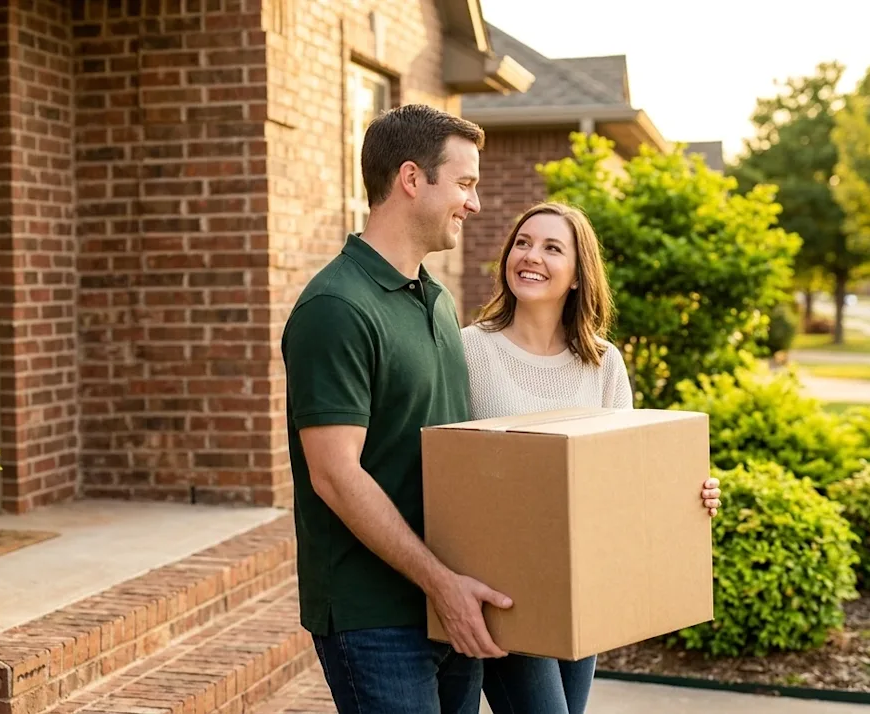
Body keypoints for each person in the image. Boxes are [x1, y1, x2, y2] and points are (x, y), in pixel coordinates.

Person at [280, 104, 509, 714]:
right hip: (375, 617)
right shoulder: (336, 307)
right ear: (412, 179)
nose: (475, 203)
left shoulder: (434, 301)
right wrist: (441, 583)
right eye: (464, 183)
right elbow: (335, 474)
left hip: (448, 602)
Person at [461, 201, 722, 714]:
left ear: (579, 275)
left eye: (552, 248)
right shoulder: (469, 350)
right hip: (508, 589)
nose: (531, 256)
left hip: (584, 583)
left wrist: (688, 496)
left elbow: (628, 475)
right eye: (523, 242)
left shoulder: (602, 361)